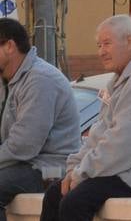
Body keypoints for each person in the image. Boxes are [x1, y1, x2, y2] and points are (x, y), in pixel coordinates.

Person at [42, 15, 131, 221]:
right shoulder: (119, 81)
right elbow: (99, 133)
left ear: (130, 41)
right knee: (54, 194)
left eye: (107, 44)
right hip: (122, 171)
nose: (101, 52)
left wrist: (81, 174)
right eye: (99, 45)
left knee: (75, 202)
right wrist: (74, 167)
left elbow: (122, 145)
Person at [0, 19, 79, 218]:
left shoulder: (40, 79)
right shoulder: (8, 80)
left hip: (47, 169)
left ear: (9, 46)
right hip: (23, 165)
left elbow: (24, 146)